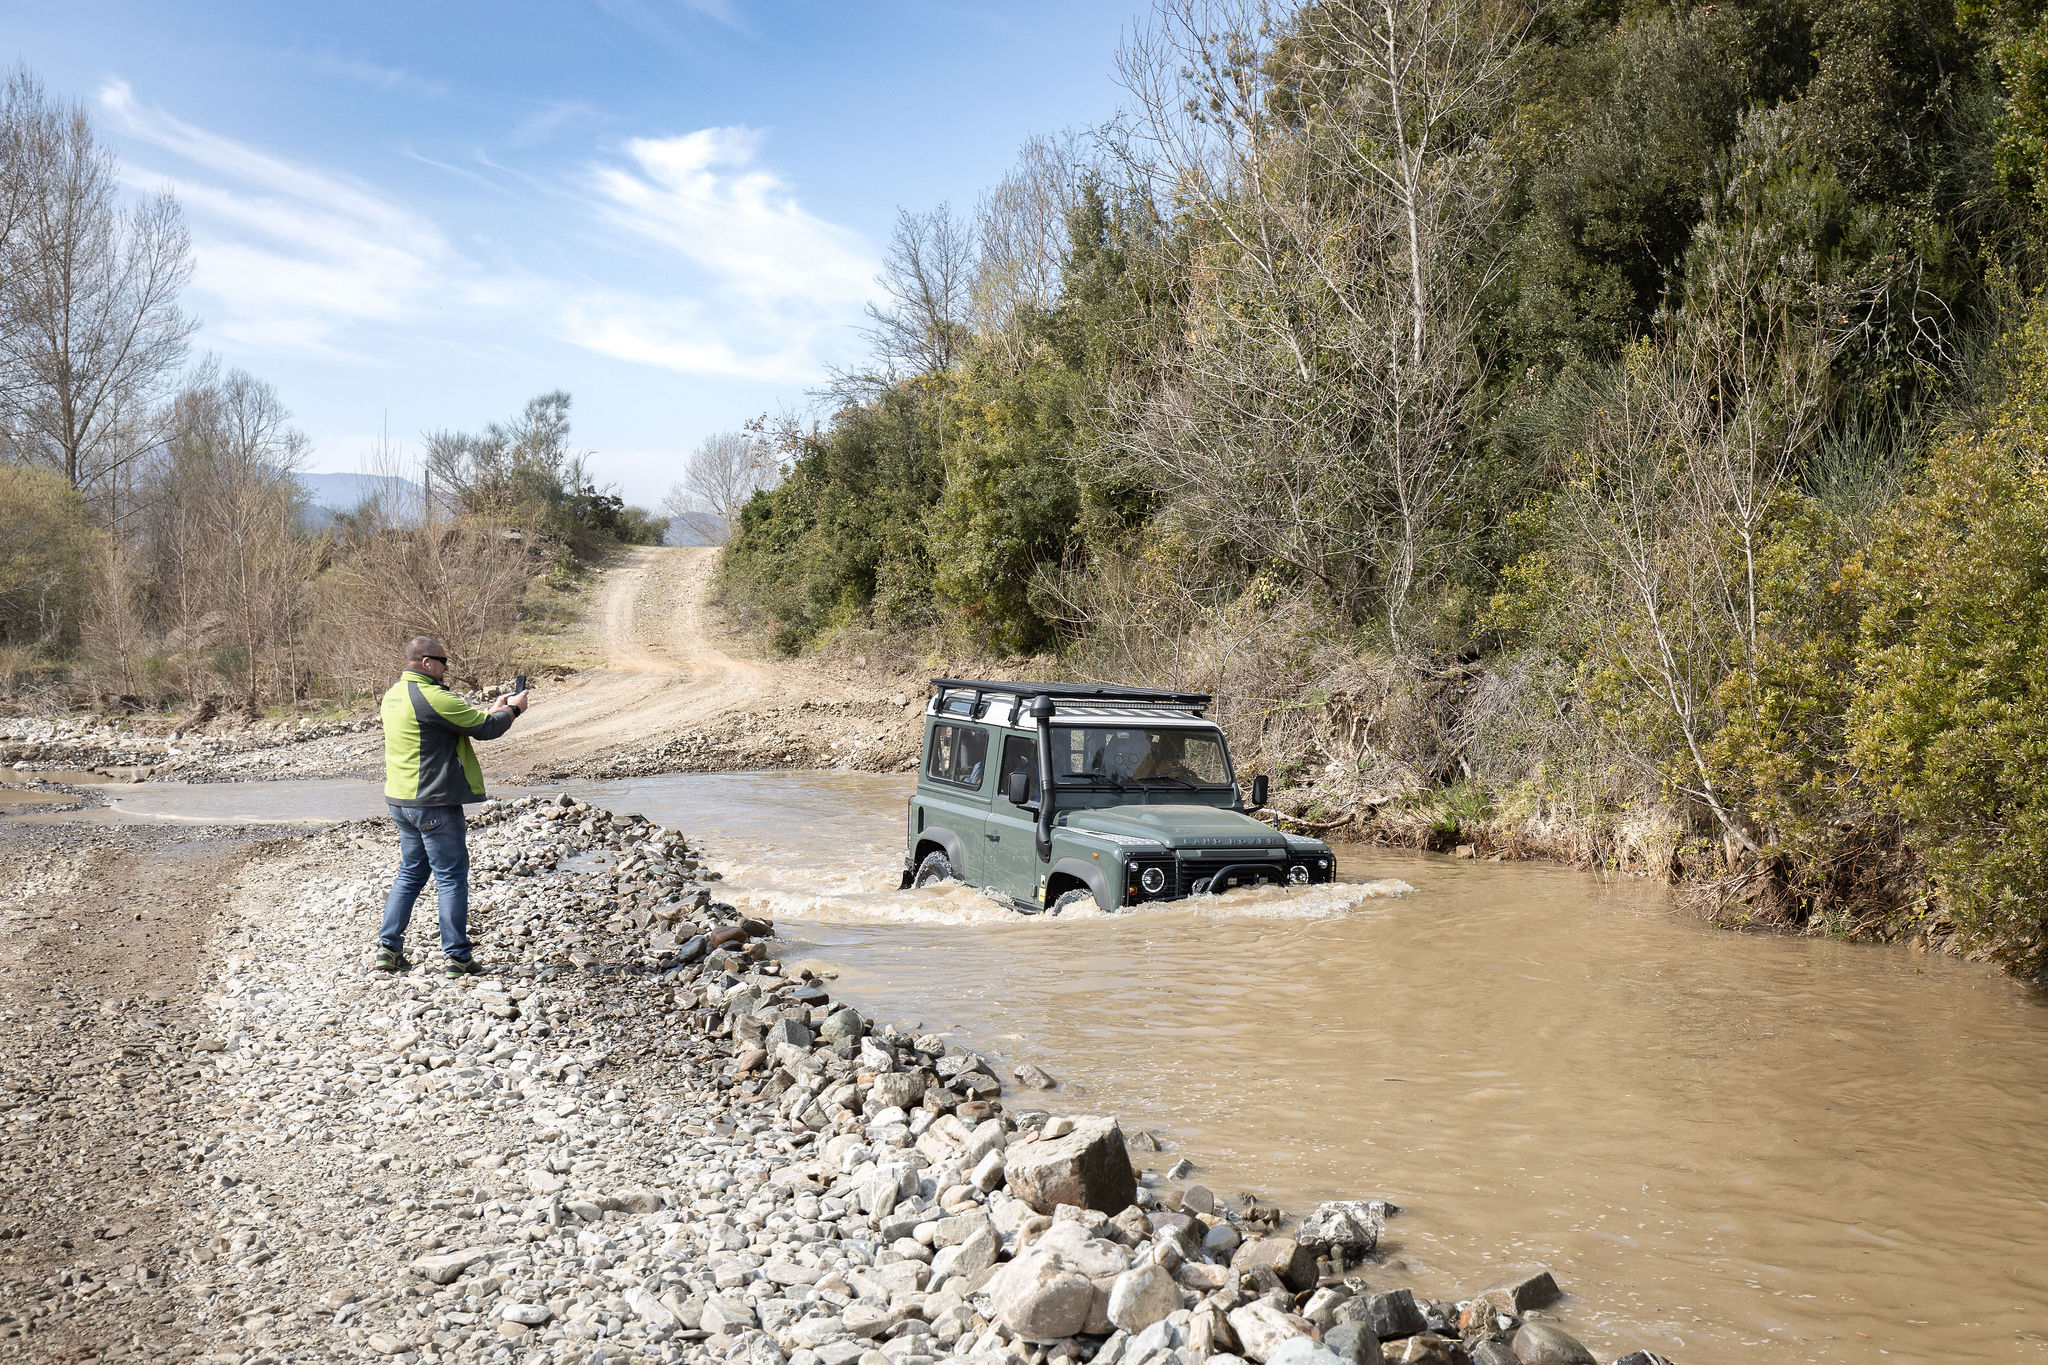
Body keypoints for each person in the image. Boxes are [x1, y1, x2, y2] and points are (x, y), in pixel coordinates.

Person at [374, 636, 528, 975]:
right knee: (451, 878)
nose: (447, 668)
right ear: (427, 663)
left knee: (411, 872)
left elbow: (451, 723)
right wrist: (513, 709)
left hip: (401, 801)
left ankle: (388, 950)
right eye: (444, 662)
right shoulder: (432, 695)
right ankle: (458, 957)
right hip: (434, 802)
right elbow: (486, 729)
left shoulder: (394, 694)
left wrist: (495, 707)